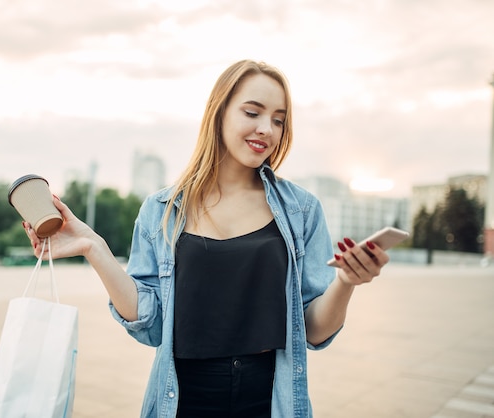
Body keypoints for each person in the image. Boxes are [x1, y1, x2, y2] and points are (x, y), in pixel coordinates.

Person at [23, 59, 390, 417]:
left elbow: (314, 331)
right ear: (220, 113)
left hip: (270, 403)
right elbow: (150, 325)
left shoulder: (302, 210)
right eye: (253, 113)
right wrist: (93, 246)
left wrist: (345, 281)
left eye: (279, 120)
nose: (267, 129)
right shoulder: (161, 209)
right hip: (183, 402)